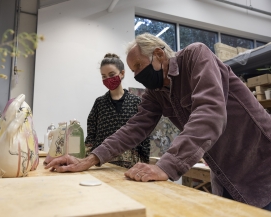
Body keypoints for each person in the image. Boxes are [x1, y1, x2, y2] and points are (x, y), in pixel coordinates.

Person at [45, 33, 271, 210]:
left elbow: (210, 112)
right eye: (133, 71)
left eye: (138, 68)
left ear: (159, 55)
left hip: (261, 161)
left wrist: (166, 166)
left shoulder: (195, 56)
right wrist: (90, 159)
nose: (136, 76)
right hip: (224, 169)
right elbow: (134, 127)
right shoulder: (157, 92)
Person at [83, 53, 150, 168]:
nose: (108, 79)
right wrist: (87, 160)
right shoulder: (99, 103)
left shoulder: (136, 102)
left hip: (131, 165)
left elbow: (145, 135)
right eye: (104, 76)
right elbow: (91, 136)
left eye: (111, 74)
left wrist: (144, 161)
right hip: (102, 164)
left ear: (122, 73)